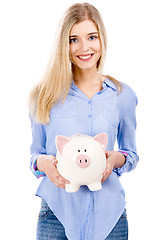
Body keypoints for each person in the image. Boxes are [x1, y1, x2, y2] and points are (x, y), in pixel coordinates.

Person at [29, 2, 139, 240]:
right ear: (64, 45)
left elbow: (131, 153)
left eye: (91, 37)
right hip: (57, 214)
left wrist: (117, 159)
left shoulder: (123, 96)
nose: (84, 47)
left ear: (102, 40)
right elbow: (35, 154)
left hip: (109, 217)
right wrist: (44, 164)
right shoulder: (44, 95)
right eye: (73, 39)